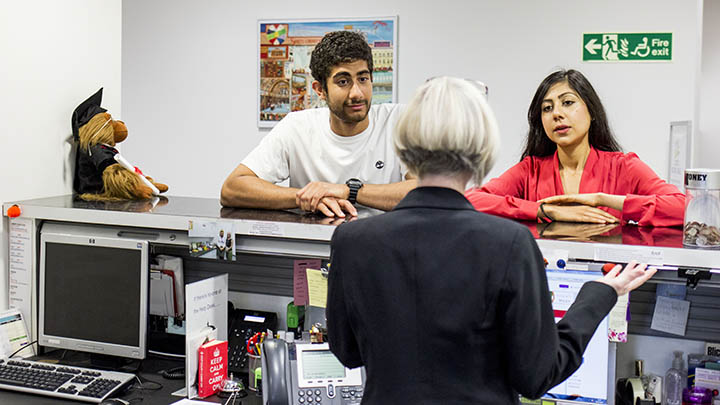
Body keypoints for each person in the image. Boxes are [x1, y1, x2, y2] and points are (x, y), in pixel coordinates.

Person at [326, 77, 657, 404]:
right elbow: (537, 376)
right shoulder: (508, 243)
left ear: (403, 148)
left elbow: (349, 352)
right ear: (482, 150)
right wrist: (598, 294)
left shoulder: (352, 240)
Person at [221, 30, 416, 217]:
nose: (357, 93)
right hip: (314, 246)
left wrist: (348, 191)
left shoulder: (399, 121)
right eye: (343, 82)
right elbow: (232, 188)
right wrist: (306, 197)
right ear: (320, 90)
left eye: (363, 79)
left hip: (383, 243)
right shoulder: (297, 127)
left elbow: (428, 192)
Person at [464, 69, 684, 227]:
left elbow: (683, 208)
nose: (557, 113)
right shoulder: (530, 170)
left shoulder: (623, 167)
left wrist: (603, 199)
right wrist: (545, 210)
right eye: (547, 108)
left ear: (592, 111)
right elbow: (471, 200)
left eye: (567, 102)